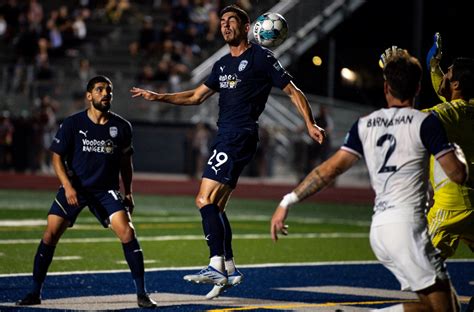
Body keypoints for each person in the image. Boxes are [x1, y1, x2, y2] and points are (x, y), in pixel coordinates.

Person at [130, 4, 325, 299]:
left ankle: (215, 265)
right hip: (228, 137)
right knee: (215, 207)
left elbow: (293, 91)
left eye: (231, 21)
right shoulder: (222, 64)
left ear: (247, 27)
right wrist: (160, 97)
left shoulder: (261, 57)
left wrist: (309, 123)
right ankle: (230, 268)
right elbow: (196, 96)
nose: (225, 26)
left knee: (202, 198)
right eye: (222, 21)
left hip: (238, 136)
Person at [271, 48, 466, 311]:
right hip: (408, 229)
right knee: (444, 310)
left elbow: (327, 171)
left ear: (386, 87)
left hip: (380, 230)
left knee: (439, 305)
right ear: (418, 87)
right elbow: (457, 174)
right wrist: (458, 152)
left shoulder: (364, 125)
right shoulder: (426, 123)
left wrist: (288, 200)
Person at [16, 76, 157, 308]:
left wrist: (129, 193)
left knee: (128, 232)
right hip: (76, 189)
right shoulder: (72, 124)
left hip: (105, 191)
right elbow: (56, 157)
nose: (105, 94)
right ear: (89, 96)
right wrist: (68, 187)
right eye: (100, 90)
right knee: (50, 235)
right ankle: (34, 293)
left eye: (109, 91)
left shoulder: (122, 127)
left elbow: (125, 163)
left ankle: (142, 294)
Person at [424, 34, 474, 312]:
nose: (443, 77)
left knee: (419, 266)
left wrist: (396, 80)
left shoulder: (447, 114)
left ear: (455, 84)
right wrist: (436, 67)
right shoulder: (466, 108)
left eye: (448, 74)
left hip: (452, 208)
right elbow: (449, 94)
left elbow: (417, 121)